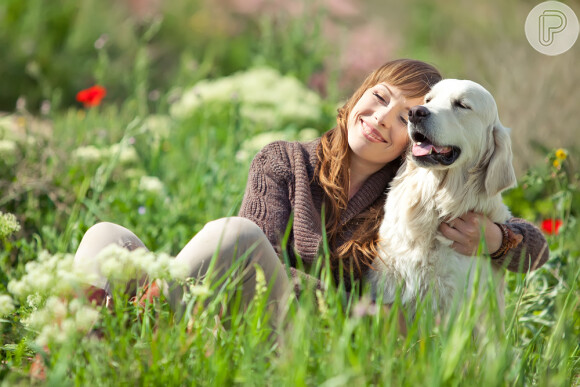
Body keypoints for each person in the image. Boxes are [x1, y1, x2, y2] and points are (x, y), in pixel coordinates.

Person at [73, 59, 550, 328]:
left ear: (418, 141)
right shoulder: (284, 161)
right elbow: (250, 263)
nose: (383, 118)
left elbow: (532, 244)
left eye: (406, 115)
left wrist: (497, 240)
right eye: (379, 97)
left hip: (304, 334)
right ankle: (63, 351)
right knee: (107, 234)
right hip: (247, 305)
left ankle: (123, 327)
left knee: (232, 237)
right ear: (358, 97)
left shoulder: (407, 197)